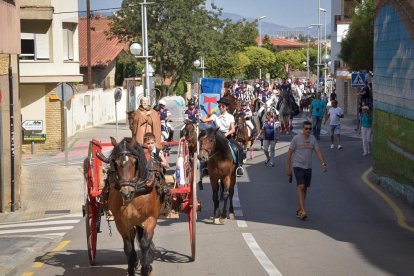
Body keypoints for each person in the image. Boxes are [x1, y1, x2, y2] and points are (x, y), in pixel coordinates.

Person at [286, 121, 328, 220]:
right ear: (303, 129)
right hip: (298, 165)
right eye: (306, 128)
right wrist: (288, 168)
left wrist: (323, 163)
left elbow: (318, 151)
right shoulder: (296, 138)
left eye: (310, 129)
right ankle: (303, 210)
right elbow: (289, 154)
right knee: (301, 186)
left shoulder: (313, 139)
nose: (308, 130)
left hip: (308, 167)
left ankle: (299, 209)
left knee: (305, 189)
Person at [199, 97, 245, 176]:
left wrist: (226, 134)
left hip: (226, 136)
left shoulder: (230, 117)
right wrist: (201, 115)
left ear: (226, 107)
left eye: (222, 106)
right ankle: (205, 168)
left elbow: (233, 129)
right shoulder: (215, 116)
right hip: (216, 137)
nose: (220, 107)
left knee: (239, 148)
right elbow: (203, 120)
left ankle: (239, 167)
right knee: (207, 148)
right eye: (219, 106)